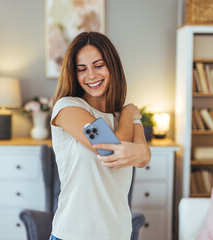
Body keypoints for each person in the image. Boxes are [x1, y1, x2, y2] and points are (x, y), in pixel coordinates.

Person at [50, 31, 151, 240]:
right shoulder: (67, 107)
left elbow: (143, 157)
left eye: (98, 65)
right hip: (73, 235)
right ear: (74, 74)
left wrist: (132, 120)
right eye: (82, 69)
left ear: (112, 66)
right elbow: (110, 150)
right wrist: (129, 114)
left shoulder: (120, 117)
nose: (91, 75)